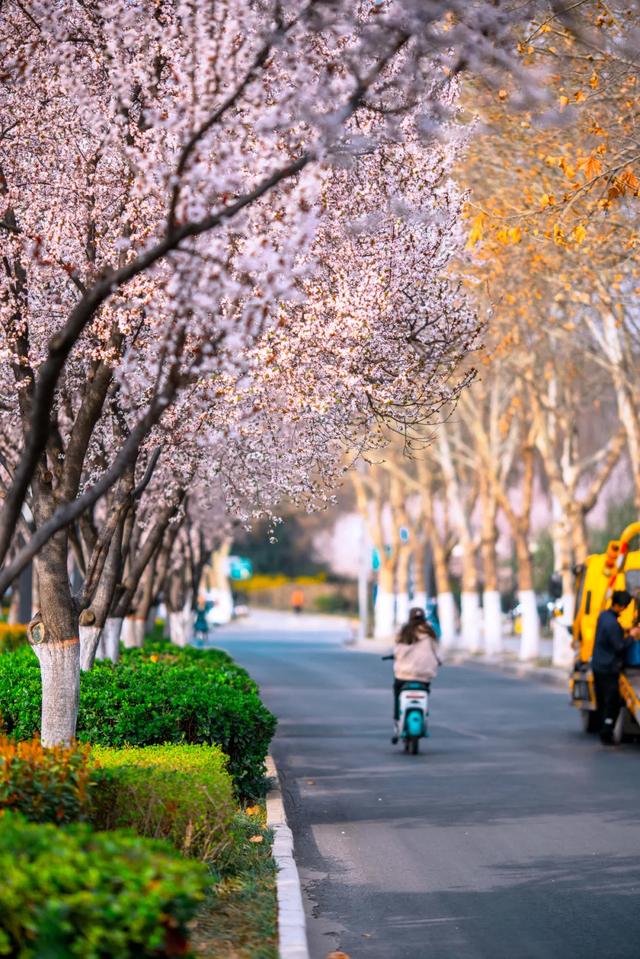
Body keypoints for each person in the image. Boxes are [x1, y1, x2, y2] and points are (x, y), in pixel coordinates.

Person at [592, 589, 640, 744]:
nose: (625, 609)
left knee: (602, 701)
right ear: (619, 606)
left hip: (598, 665)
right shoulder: (612, 624)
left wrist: (624, 631)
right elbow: (619, 646)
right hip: (608, 668)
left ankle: (603, 729)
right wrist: (632, 636)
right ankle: (606, 733)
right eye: (625, 606)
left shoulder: (604, 616)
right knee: (612, 702)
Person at [392, 606, 441, 743]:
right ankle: (424, 714)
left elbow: (397, 651)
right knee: (425, 692)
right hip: (424, 676)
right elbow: (438, 653)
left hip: (403, 675)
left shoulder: (404, 631)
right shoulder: (430, 633)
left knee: (397, 694)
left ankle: (397, 721)